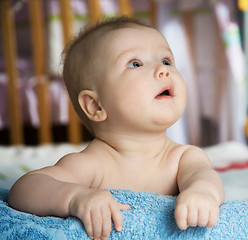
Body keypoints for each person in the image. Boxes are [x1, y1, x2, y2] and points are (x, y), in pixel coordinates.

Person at [8, 17, 225, 240]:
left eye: (167, 61)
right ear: (96, 105)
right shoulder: (94, 163)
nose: (163, 70)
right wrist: (75, 198)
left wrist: (201, 193)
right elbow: (24, 189)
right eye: (136, 64)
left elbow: (205, 178)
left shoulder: (183, 158)